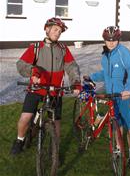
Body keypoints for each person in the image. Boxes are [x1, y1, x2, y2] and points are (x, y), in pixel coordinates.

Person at [10, 17, 81, 155]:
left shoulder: (63, 49)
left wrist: (76, 82)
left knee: (56, 122)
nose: (58, 33)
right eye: (55, 29)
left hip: (55, 91)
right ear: (47, 29)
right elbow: (21, 64)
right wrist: (33, 72)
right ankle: (19, 140)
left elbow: (72, 67)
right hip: (36, 89)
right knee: (25, 118)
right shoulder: (35, 48)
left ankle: (54, 150)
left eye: (60, 31)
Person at [87, 26, 130, 169]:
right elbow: (106, 74)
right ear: (104, 40)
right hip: (112, 96)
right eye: (108, 40)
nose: (111, 43)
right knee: (116, 124)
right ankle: (118, 148)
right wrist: (91, 77)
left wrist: (128, 89)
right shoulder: (105, 55)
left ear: (118, 39)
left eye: (114, 40)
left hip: (125, 95)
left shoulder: (123, 53)